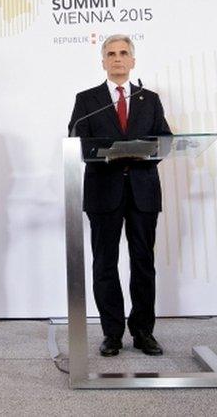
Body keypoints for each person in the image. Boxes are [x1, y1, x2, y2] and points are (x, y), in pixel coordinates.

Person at [67, 35, 172, 357]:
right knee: (104, 264)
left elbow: (165, 140)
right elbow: (77, 140)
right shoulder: (88, 100)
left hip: (142, 191)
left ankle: (143, 333)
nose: (117, 58)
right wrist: (108, 152)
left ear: (133, 61)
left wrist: (141, 152)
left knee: (143, 263)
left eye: (123, 53)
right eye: (110, 54)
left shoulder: (149, 99)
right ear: (103, 62)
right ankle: (111, 334)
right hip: (104, 191)